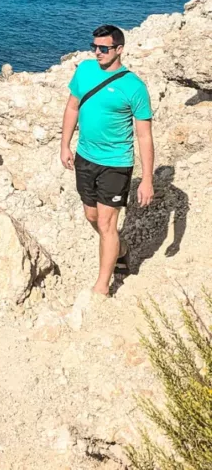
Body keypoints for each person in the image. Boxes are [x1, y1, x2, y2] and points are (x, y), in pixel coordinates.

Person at [60, 24, 154, 295]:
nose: (98, 52)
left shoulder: (134, 87)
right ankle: (121, 249)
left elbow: (144, 136)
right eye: (95, 47)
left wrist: (146, 179)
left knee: (106, 223)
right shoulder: (85, 70)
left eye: (104, 48)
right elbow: (72, 106)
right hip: (85, 157)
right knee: (91, 216)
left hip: (116, 163)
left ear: (119, 49)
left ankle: (102, 287)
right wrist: (64, 145)